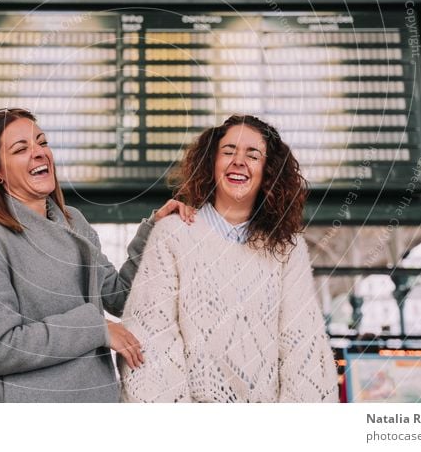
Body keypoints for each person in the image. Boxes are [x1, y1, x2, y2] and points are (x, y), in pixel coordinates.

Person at [0, 108, 194, 402]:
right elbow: (0, 348)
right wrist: (94, 327)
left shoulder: (74, 222)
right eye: (21, 149)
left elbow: (119, 297)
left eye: (42, 143)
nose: (39, 153)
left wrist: (153, 231)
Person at [120, 114, 338, 402]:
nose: (239, 161)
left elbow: (302, 348)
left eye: (253, 155)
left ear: (268, 172)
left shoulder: (287, 248)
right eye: (228, 152)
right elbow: (152, 342)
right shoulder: (172, 234)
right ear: (211, 164)